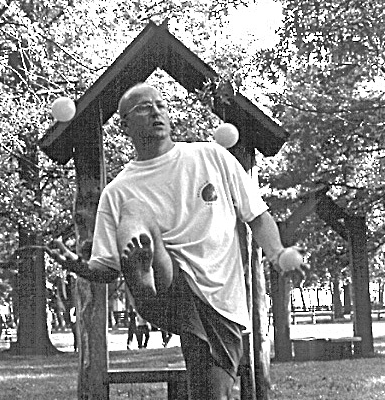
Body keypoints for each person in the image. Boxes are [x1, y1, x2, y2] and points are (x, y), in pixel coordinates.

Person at [45, 82, 306, 399]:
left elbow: (258, 217)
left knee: (212, 394)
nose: (155, 111)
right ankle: (143, 277)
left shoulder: (212, 157)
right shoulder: (118, 190)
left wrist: (277, 255)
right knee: (136, 211)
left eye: (160, 104)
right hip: (163, 290)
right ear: (125, 124)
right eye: (143, 107)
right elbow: (107, 269)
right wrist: (81, 267)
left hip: (219, 301)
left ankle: (144, 267)